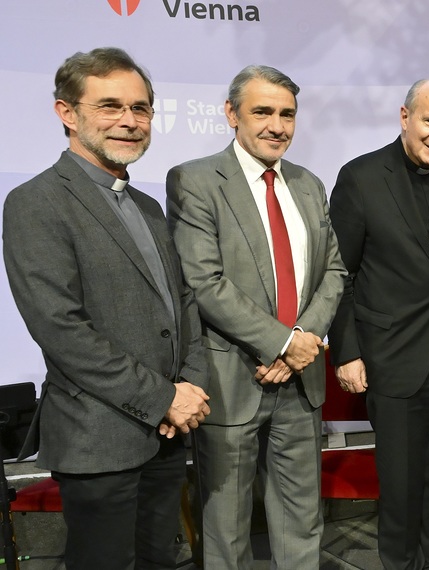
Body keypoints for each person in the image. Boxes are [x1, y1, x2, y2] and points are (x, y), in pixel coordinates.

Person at [2, 47, 211, 569]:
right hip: (99, 438)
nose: (129, 121)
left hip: (165, 434)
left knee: (162, 560)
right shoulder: (35, 202)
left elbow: (182, 306)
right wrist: (164, 397)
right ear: (66, 113)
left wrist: (190, 386)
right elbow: (62, 330)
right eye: (110, 106)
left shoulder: (146, 204)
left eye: (140, 109)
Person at [165, 65, 346, 569]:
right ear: (231, 114)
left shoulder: (309, 184)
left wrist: (302, 341)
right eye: (262, 111)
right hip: (230, 378)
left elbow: (333, 270)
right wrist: (284, 343)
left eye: (287, 114)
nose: (277, 125)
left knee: (302, 517)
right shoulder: (195, 180)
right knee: (225, 526)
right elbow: (204, 282)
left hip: (300, 378)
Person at [328, 79, 429, 570]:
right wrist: (347, 349)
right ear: (404, 117)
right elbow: (339, 273)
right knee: (400, 480)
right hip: (393, 355)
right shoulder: (361, 177)